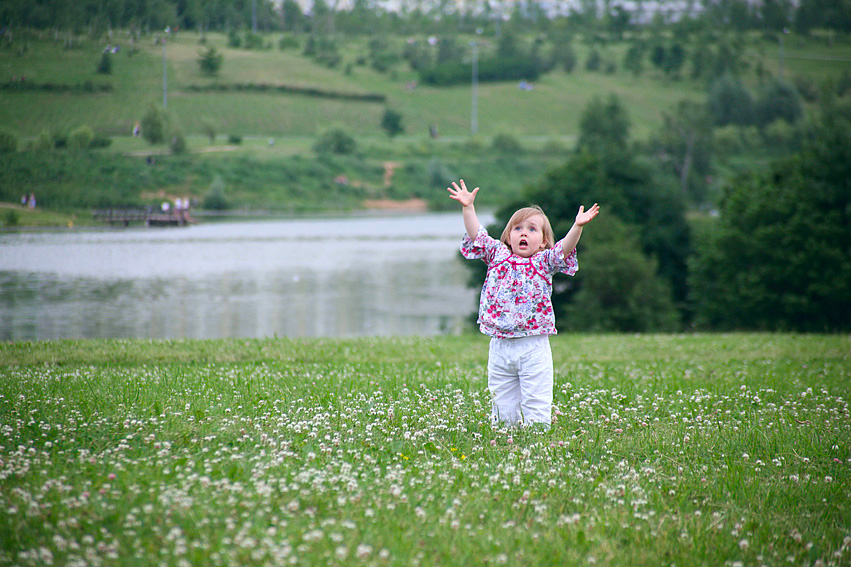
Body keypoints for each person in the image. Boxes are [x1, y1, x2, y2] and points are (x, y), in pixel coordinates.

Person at [447, 179, 599, 429]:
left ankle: (537, 438)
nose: (524, 233)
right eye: (517, 229)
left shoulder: (544, 261)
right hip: (500, 344)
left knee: (536, 401)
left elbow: (564, 249)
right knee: (502, 403)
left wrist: (577, 226)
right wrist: (468, 208)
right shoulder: (497, 254)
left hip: (533, 345)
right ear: (508, 237)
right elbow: (477, 234)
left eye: (532, 229)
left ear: (543, 241)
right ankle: (506, 435)